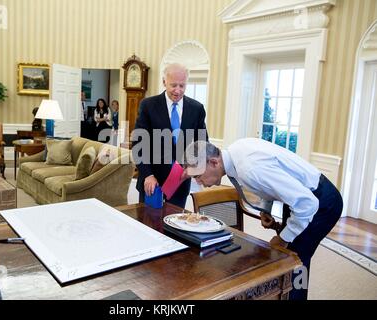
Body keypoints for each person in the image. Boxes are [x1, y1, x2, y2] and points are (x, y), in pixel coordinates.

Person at [182, 139, 343, 300]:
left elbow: (307, 204)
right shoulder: (235, 153)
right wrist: (266, 208)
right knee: (291, 259)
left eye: (198, 176)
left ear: (214, 162)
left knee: (294, 262)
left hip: (320, 203)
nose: (198, 182)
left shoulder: (250, 169)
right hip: (300, 200)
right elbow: (272, 178)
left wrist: (283, 238)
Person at [132, 63, 208, 208]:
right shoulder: (148, 105)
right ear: (164, 82)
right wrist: (147, 174)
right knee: (149, 224)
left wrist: (197, 167)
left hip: (180, 181)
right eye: (173, 85)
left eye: (182, 86)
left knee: (175, 225)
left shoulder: (197, 108)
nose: (178, 91)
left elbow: (202, 142)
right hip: (151, 180)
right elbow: (138, 145)